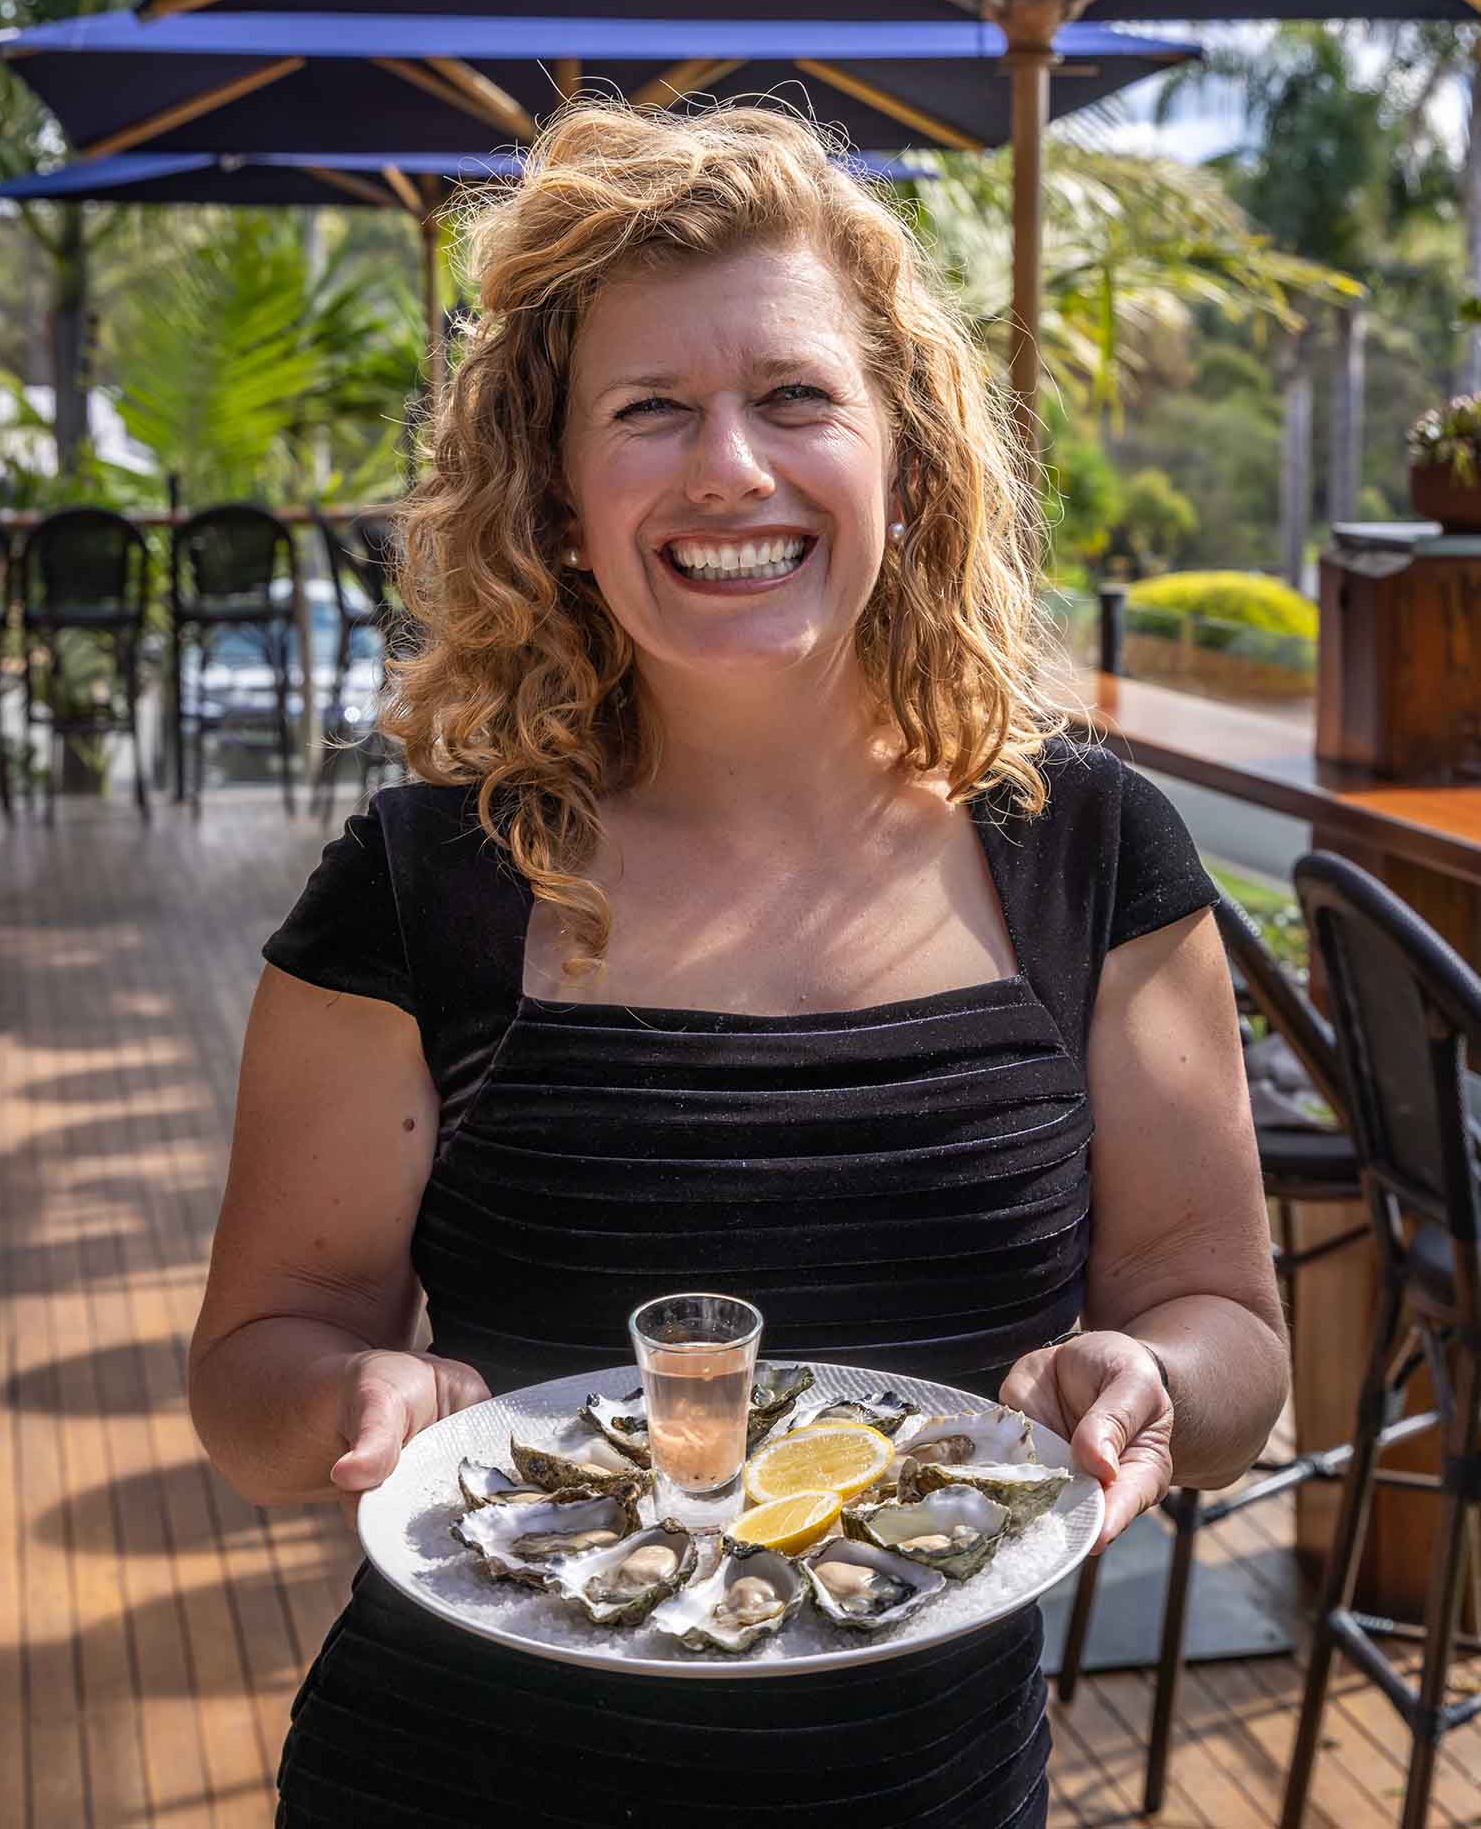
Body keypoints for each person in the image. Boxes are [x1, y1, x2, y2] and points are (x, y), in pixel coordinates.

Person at [190, 101, 1288, 1828]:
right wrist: (348, 1391)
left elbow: (1227, 1327)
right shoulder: (420, 887)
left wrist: (1158, 1380)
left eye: (795, 397)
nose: (730, 469)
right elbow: (256, 1361)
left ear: (905, 459)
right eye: (650, 411)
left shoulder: (1091, 852)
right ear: (554, 496)